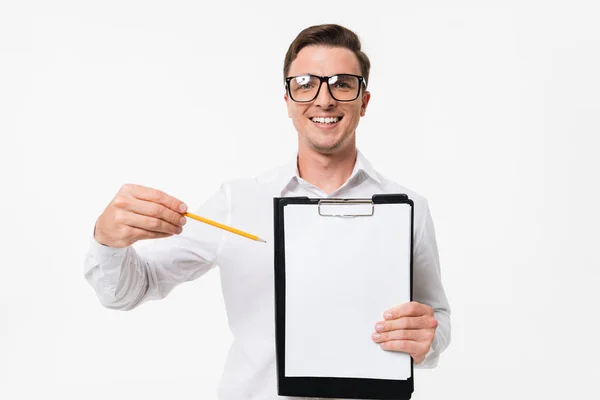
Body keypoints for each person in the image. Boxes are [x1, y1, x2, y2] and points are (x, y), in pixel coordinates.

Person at [85, 23, 451, 399]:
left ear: (364, 101)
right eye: (306, 83)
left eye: (342, 83)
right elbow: (128, 291)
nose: (324, 99)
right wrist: (109, 241)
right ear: (288, 100)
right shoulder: (237, 203)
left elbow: (436, 319)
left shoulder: (407, 208)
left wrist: (428, 340)